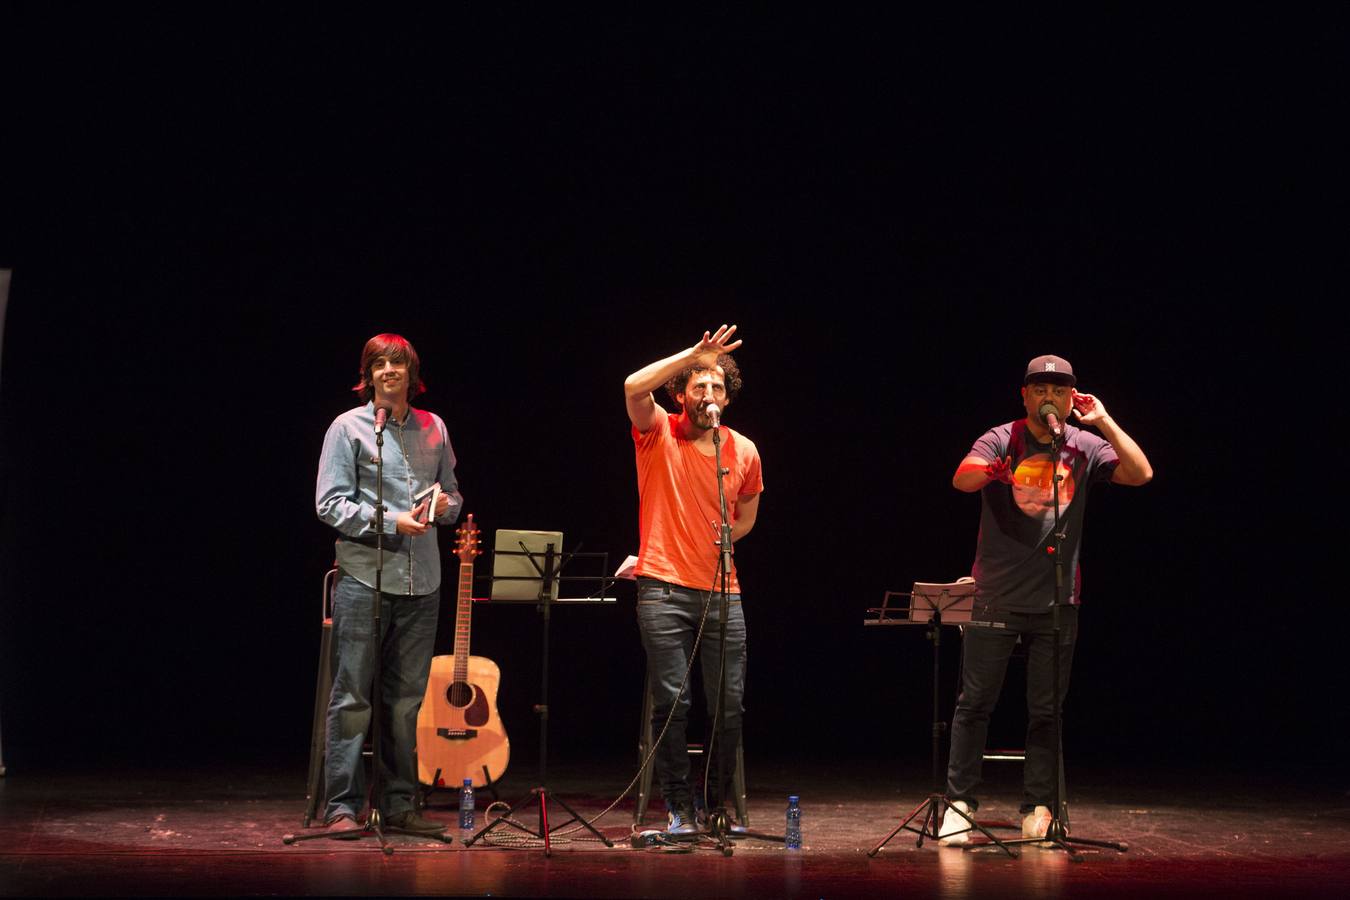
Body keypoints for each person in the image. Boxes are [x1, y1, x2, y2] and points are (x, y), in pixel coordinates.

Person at [939, 354, 1152, 845]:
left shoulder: (1084, 445)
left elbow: (1141, 474)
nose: (1049, 397)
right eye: (1040, 389)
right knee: (974, 706)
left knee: (1046, 712)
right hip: (995, 595)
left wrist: (1103, 421)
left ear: (1071, 396)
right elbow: (962, 478)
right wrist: (991, 469)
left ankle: (1039, 806)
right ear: (1026, 395)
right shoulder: (1001, 438)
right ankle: (959, 803)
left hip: (1058, 600)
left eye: (1059, 389)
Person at [314, 333, 463, 838]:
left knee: (406, 702)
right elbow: (330, 503)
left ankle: (400, 804)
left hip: (424, 583)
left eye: (397, 364)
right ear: (369, 375)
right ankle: (342, 806)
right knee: (353, 696)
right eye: (379, 364)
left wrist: (445, 507)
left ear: (411, 375)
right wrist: (390, 521)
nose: (389, 372)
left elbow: (456, 497)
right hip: (364, 577)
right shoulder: (347, 427)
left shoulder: (434, 427)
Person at [623, 325, 764, 835]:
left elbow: (746, 513)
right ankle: (678, 807)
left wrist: (721, 540)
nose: (708, 395)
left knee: (729, 705)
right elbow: (632, 386)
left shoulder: (743, 451)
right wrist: (694, 354)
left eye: (717, 387)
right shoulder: (658, 430)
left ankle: (714, 805)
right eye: (698, 386)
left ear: (728, 398)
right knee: (675, 702)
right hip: (662, 587)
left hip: (724, 591)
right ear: (680, 394)